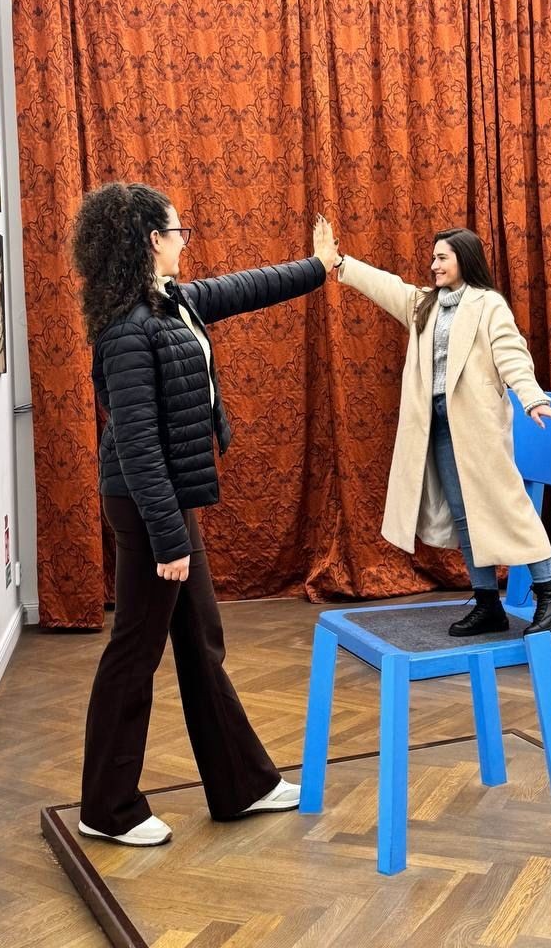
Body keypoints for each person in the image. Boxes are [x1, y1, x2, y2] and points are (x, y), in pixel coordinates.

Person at [71, 182, 337, 847]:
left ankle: (242, 783)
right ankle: (106, 808)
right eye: (177, 232)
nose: (183, 242)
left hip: (166, 501)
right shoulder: (128, 331)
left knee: (199, 641)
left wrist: (318, 266)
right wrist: (168, 540)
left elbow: (246, 288)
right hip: (146, 506)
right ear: (150, 241)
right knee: (135, 651)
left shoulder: (172, 303)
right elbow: (137, 444)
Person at [319, 218, 551, 637]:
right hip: (438, 427)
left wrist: (532, 398)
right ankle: (488, 604)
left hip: (478, 428)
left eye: (442, 258)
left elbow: (512, 355)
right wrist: (339, 263)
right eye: (433, 258)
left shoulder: (488, 305)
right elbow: (386, 285)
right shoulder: (424, 304)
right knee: (464, 514)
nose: (434, 265)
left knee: (509, 505)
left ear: (465, 260)